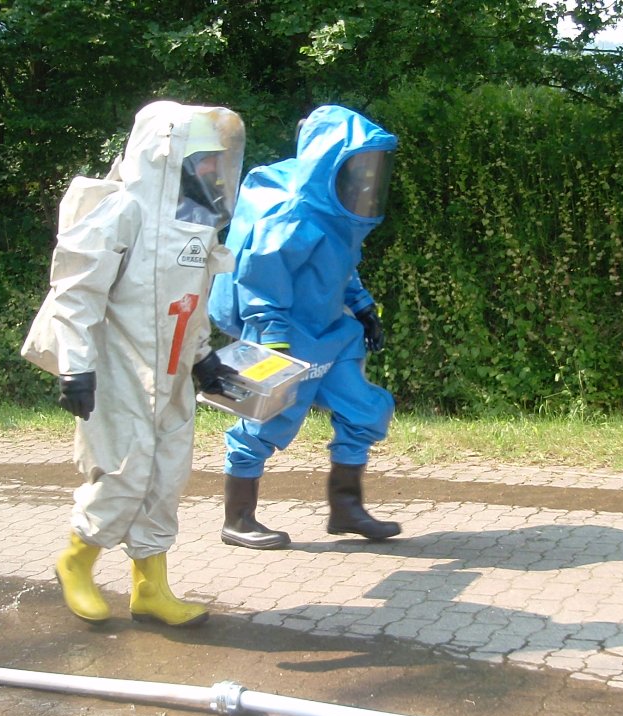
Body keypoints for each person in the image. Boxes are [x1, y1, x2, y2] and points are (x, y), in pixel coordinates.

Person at [21, 101, 245, 626]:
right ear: (170, 158)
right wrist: (76, 367)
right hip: (118, 369)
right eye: (205, 160)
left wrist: (203, 358)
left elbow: (189, 304)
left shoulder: (198, 224)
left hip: (171, 374)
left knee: (166, 476)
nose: (214, 171)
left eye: (219, 161)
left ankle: (150, 589)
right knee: (123, 473)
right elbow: (76, 294)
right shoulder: (123, 212)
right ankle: (76, 562)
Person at [207, 104, 400, 550]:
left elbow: (341, 269)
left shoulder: (340, 219)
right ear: (330, 165)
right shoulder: (292, 218)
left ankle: (346, 509)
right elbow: (259, 280)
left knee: (363, 409)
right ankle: (238, 519)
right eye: (358, 167)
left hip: (332, 335)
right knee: (263, 421)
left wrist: (364, 309)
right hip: (284, 336)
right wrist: (274, 342)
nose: (367, 179)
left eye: (372, 168)